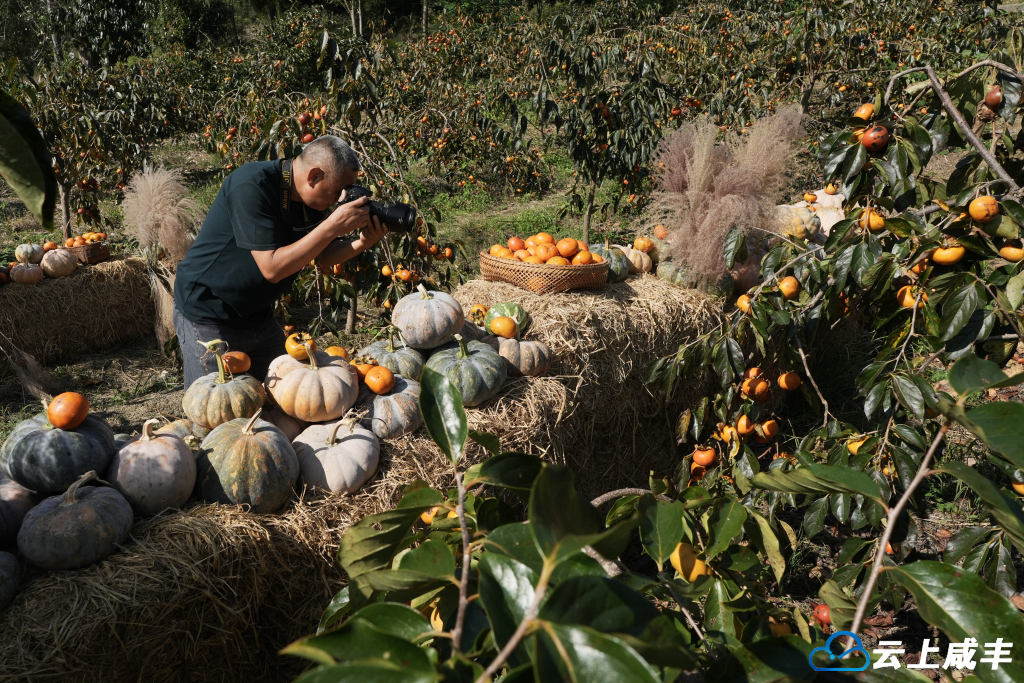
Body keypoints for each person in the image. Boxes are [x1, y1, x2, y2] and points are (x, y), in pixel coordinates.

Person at [173, 135, 387, 389]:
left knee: (284, 395)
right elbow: (271, 268)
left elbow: (322, 257)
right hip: (209, 311)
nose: (342, 198)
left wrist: (361, 243)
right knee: (216, 406)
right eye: (339, 189)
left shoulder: (312, 199)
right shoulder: (251, 184)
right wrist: (332, 225)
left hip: (257, 313)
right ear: (314, 176)